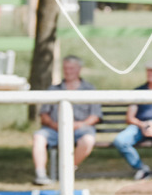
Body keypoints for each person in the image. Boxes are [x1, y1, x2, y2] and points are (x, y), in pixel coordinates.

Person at [31, 56, 102, 185]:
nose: (68, 71)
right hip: (55, 129)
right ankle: (40, 175)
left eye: (71, 68)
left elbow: (95, 116)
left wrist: (78, 125)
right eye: (66, 68)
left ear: (79, 69)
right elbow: (44, 115)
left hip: (80, 129)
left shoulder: (89, 89)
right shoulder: (53, 89)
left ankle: (67, 170)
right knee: (38, 137)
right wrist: (55, 125)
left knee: (88, 140)